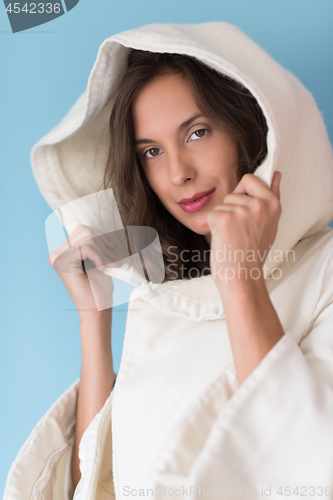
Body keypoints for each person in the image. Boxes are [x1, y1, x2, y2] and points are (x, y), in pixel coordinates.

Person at [4, 22, 333, 500]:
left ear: (250, 128)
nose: (178, 172)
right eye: (152, 152)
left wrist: (240, 280)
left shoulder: (324, 273)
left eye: (197, 132)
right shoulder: (160, 299)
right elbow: (98, 487)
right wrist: (94, 320)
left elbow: (306, 465)